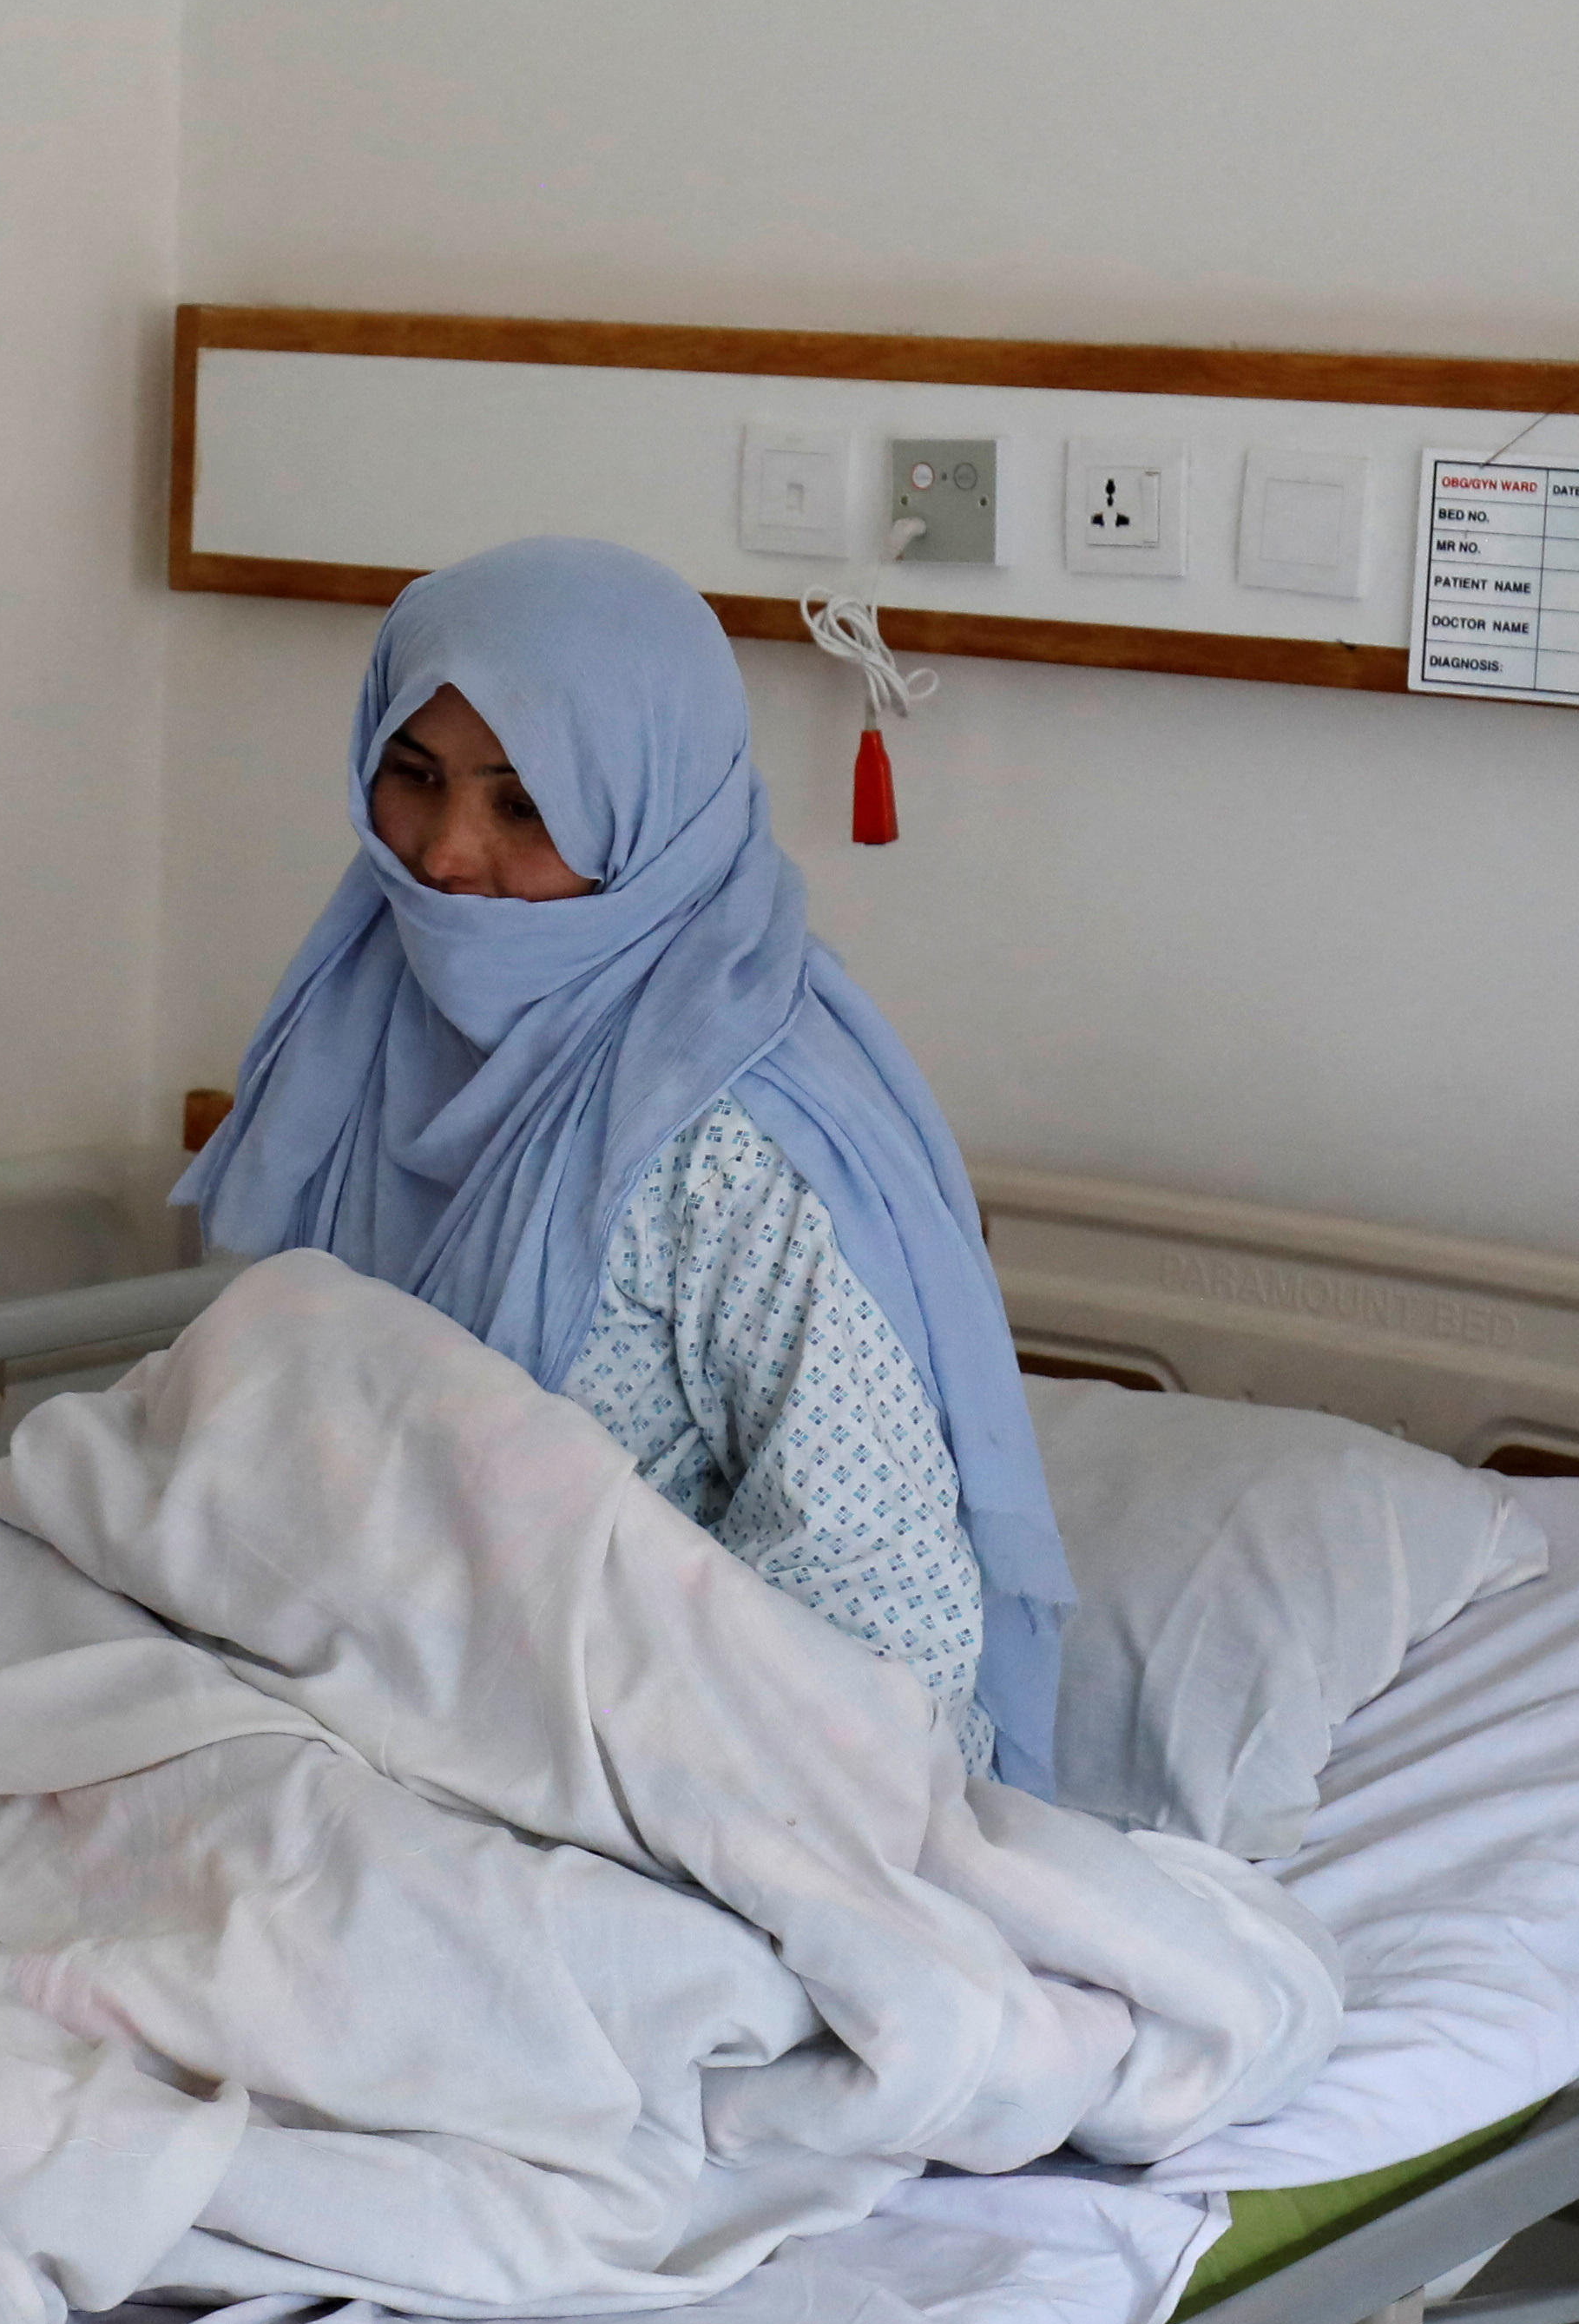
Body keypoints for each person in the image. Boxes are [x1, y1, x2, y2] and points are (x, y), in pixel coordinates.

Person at [173, 535, 1071, 1789]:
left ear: (653, 812)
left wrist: (534, 1732)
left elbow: (880, 1629)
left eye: (523, 804)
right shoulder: (364, 1018)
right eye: (413, 776)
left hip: (640, 1764)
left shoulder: (738, 1144)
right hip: (312, 1681)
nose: (443, 855)